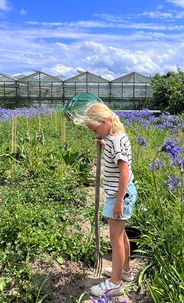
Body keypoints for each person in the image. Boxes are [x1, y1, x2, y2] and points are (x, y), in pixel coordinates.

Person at [77, 102, 137, 297]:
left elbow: (124, 171)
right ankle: (125, 271)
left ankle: (115, 283)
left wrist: (119, 201)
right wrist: (104, 143)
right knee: (122, 236)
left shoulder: (115, 141)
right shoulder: (115, 137)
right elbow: (116, 152)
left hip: (120, 194)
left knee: (115, 239)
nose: (95, 133)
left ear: (104, 121)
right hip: (122, 193)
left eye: (95, 129)